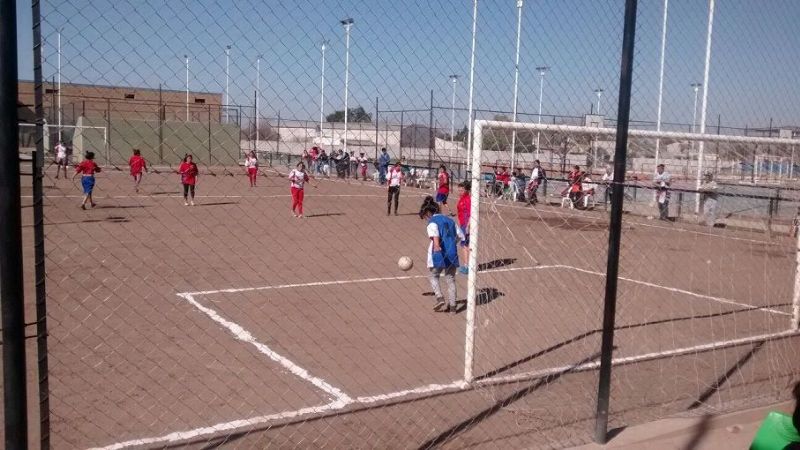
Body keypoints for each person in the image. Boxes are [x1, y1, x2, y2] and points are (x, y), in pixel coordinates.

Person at [419, 196, 464, 313]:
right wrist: (452, 244)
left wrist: (437, 245)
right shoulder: (450, 220)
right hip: (452, 252)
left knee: (433, 276)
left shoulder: (432, 222)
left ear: (428, 212)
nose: (425, 219)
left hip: (438, 252)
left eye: (424, 216)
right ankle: (453, 307)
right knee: (451, 279)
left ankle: (439, 298)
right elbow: (460, 235)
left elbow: (435, 233)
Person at [456, 180, 471, 275]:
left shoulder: (468, 199)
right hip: (462, 224)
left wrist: (468, 226)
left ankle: (467, 266)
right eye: (459, 190)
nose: (460, 191)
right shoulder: (461, 199)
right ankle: (467, 265)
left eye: (462, 190)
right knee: (464, 245)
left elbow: (471, 213)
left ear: (466, 190)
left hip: (466, 225)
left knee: (464, 245)